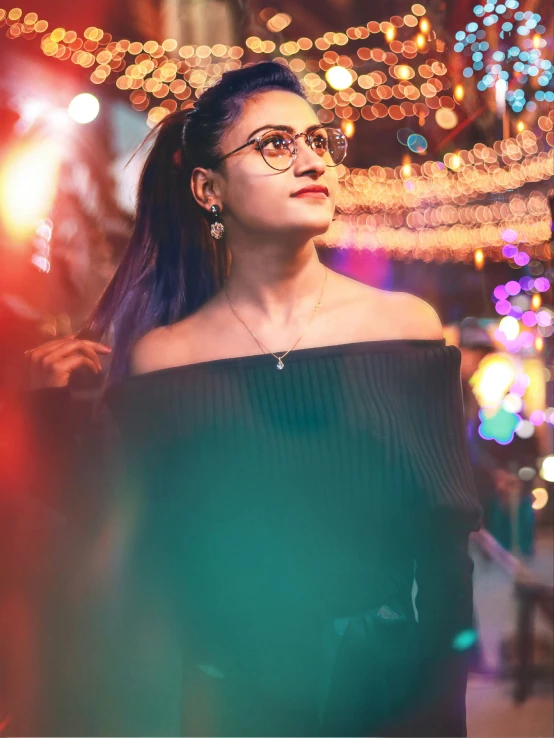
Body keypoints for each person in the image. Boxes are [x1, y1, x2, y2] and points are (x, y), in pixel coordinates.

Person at [20, 61, 482, 737]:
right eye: (275, 144)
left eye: (317, 141)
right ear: (209, 189)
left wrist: (441, 705)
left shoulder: (405, 326)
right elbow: (138, 557)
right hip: (235, 701)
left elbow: (445, 550)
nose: (310, 160)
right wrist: (45, 410)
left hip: (388, 693)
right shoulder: (163, 357)